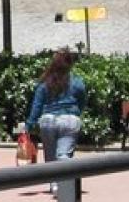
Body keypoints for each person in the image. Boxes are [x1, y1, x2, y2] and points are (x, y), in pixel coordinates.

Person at [27, 50, 86, 189]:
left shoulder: (45, 83)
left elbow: (37, 106)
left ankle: (54, 185)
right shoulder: (76, 82)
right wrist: (77, 114)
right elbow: (82, 101)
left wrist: (30, 126)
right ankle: (66, 184)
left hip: (48, 120)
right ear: (70, 64)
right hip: (70, 120)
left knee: (50, 155)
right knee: (64, 154)